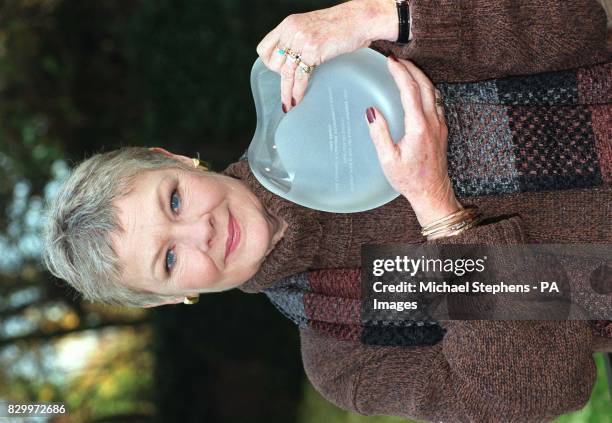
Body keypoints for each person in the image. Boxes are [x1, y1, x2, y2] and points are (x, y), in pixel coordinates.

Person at [42, 0, 611, 421]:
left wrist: (382, 18)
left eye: (173, 200)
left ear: (177, 160)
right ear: (171, 299)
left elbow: (577, 25)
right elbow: (542, 389)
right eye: (168, 259)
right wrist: (440, 214)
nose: (202, 230)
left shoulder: (326, 84)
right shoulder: (345, 351)